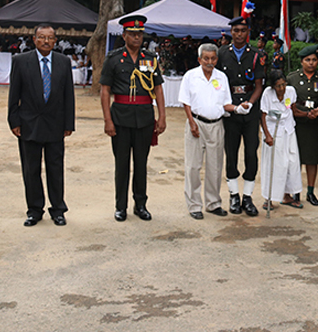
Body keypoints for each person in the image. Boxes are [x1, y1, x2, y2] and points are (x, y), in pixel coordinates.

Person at [8, 24, 75, 227]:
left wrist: (68, 123)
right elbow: (14, 94)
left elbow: (68, 96)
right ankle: (34, 210)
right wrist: (14, 121)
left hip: (55, 124)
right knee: (31, 169)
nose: (46, 41)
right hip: (29, 124)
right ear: (34, 39)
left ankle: (58, 210)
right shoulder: (21, 61)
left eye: (50, 38)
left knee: (56, 168)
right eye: (42, 37)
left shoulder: (63, 62)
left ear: (55, 41)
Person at [100, 15, 166, 222]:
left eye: (140, 34)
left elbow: (158, 88)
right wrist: (107, 120)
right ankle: (121, 206)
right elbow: (105, 91)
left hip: (144, 118)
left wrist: (162, 116)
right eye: (132, 34)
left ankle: (141, 204)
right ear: (124, 35)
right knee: (122, 164)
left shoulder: (150, 58)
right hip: (120, 117)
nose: (137, 37)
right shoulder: (113, 58)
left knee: (141, 163)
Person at [178, 43, 237, 220]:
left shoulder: (222, 77)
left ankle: (213, 203)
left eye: (212, 58)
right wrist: (191, 122)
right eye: (206, 58)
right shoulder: (191, 76)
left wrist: (238, 108)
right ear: (199, 59)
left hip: (217, 125)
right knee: (193, 166)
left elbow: (226, 103)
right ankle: (194, 205)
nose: (209, 62)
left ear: (216, 59)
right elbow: (185, 101)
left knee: (215, 166)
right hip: (196, 123)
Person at [217, 16, 265, 216]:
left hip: (250, 112)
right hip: (230, 113)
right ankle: (234, 196)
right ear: (231, 32)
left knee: (251, 154)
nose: (238, 34)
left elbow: (259, 86)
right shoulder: (221, 54)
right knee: (231, 153)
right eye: (235, 30)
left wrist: (250, 103)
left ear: (248, 33)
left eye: (242, 31)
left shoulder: (257, 55)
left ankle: (248, 197)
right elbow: (218, 84)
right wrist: (230, 106)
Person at [287, 45, 318, 206]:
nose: (311, 63)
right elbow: (288, 101)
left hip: (314, 123)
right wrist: (303, 112)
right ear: (302, 61)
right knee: (295, 158)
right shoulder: (292, 78)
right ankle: (295, 192)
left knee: (312, 158)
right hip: (297, 123)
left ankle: (310, 191)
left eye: (314, 60)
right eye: (307, 60)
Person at [260, 69, 303, 210]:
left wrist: (309, 114)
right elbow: (263, 116)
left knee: (291, 163)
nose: (282, 88)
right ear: (273, 86)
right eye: (278, 86)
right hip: (273, 132)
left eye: (284, 84)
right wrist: (267, 135)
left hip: (288, 130)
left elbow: (294, 110)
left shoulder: (290, 91)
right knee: (274, 165)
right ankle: (268, 198)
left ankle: (287, 195)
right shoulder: (267, 94)